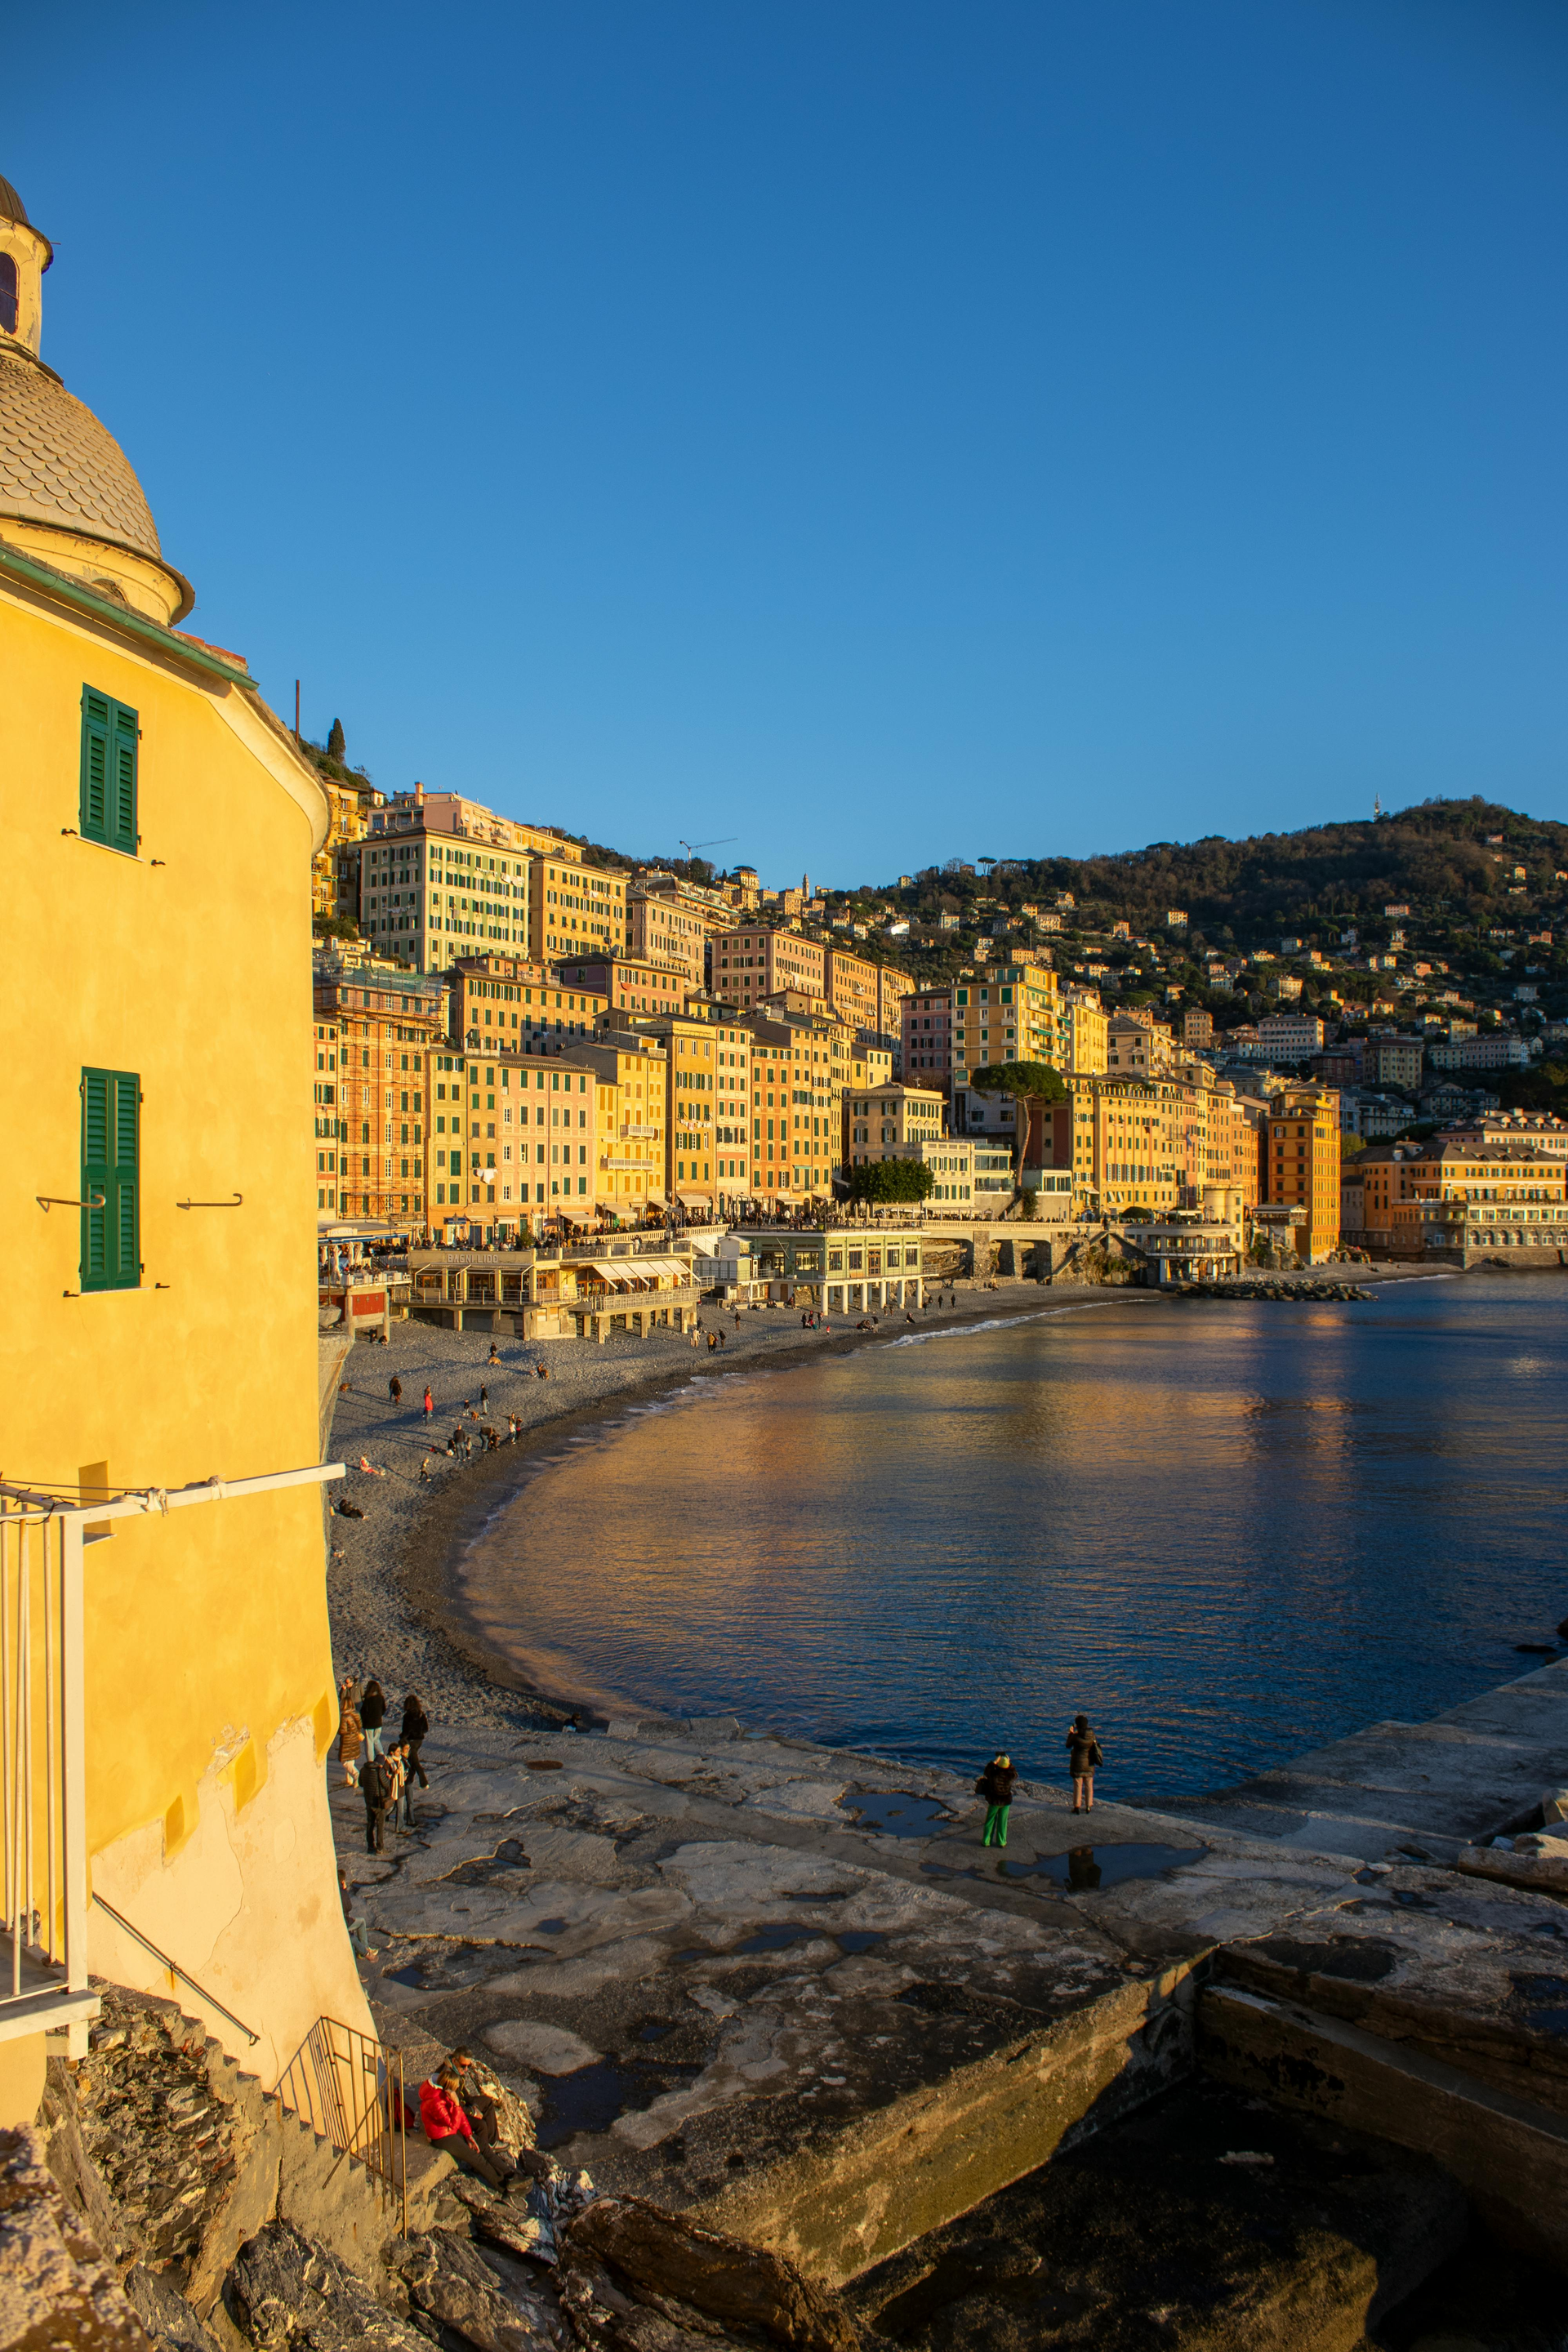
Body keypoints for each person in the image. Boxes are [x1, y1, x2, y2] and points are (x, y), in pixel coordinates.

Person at [418, 2069, 508, 2189]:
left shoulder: (444, 2095)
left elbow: (460, 2117)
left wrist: (469, 2135)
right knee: (476, 2158)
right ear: (448, 2088)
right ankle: (502, 2185)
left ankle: (509, 2174)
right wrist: (456, 2104)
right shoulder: (436, 2101)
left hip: (449, 2132)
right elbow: (453, 2125)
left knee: (482, 2145)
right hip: (441, 2137)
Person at [977, 1753, 1018, 1848]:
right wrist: (1009, 1763)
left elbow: (987, 1770)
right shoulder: (1010, 1775)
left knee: (990, 1821)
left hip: (994, 1801)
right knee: (1003, 1823)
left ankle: (986, 1841)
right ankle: (1001, 1842)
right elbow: (1015, 1773)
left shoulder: (993, 1774)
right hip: (1005, 1801)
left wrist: (994, 1762)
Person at [361, 1744, 395, 1855]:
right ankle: (380, 1848)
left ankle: (370, 1846)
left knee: (370, 1823)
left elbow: (360, 1783)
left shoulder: (364, 1769)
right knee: (380, 1825)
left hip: (368, 1800)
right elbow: (386, 1784)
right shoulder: (379, 1771)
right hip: (379, 1801)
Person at [1067, 1715, 1104, 1813]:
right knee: (1089, 1785)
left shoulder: (1075, 1736)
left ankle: (1077, 1807)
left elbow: (1068, 1745)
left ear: (1078, 1725)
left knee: (1078, 1785)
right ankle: (1088, 1806)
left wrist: (1070, 1733)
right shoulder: (1092, 1735)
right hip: (1089, 1763)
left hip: (1078, 1763)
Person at [339, 1866, 377, 1958]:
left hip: (340, 1920)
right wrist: (345, 1891)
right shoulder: (341, 1892)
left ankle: (363, 1950)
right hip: (343, 1921)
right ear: (343, 1881)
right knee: (361, 1922)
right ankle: (364, 1950)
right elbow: (349, 1907)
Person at [402, 1690, 430, 1793]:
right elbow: (426, 1729)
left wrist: (402, 1738)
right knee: (412, 1761)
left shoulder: (407, 1716)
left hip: (411, 1741)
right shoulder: (421, 1714)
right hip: (419, 1741)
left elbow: (406, 1731)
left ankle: (424, 1783)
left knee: (415, 1763)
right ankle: (409, 1780)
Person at [337, 1693, 364, 1788]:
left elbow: (343, 1730)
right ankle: (349, 1780)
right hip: (355, 1740)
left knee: (345, 1762)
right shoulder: (356, 1714)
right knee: (351, 1760)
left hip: (347, 1741)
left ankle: (357, 1775)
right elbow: (359, 1725)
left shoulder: (345, 1717)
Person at [360, 1679, 386, 1762]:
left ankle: (370, 1762)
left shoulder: (368, 1699)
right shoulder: (381, 1698)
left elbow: (363, 1712)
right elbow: (384, 1710)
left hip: (368, 1725)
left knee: (369, 1744)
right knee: (376, 1740)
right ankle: (381, 1755)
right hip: (378, 1723)